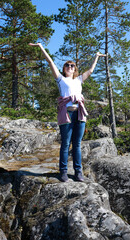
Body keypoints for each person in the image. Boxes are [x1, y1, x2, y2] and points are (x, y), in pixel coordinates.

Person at [29, 42, 106, 182]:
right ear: (64, 68)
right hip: (66, 114)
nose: (70, 67)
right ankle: (63, 171)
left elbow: (91, 70)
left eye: (72, 66)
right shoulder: (60, 79)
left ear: (75, 69)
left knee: (77, 144)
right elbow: (50, 61)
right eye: (67, 65)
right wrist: (40, 47)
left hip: (80, 114)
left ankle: (78, 172)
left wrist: (96, 57)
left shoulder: (79, 80)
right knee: (65, 143)